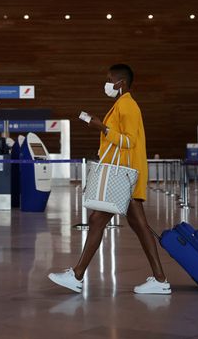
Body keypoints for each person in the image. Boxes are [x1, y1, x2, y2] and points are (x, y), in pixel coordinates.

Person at [48, 64, 170, 295]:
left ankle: (77, 275)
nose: (106, 84)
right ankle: (160, 279)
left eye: (109, 79)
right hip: (125, 174)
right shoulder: (121, 105)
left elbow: (128, 141)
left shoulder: (128, 106)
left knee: (98, 219)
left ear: (120, 83)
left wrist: (101, 127)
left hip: (124, 175)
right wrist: (101, 126)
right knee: (134, 225)